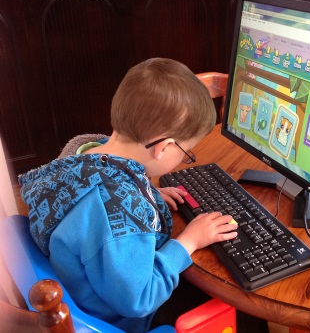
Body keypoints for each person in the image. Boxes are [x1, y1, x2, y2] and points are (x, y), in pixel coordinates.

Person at [18, 58, 241, 332]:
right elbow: (140, 298)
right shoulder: (119, 214)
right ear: (164, 147)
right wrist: (189, 241)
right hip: (122, 318)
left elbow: (94, 206)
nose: (184, 159)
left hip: (95, 283)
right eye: (185, 153)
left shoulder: (87, 153)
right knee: (239, 308)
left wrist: (147, 192)